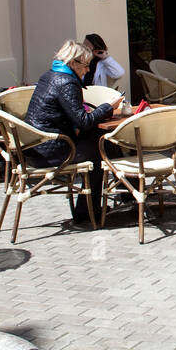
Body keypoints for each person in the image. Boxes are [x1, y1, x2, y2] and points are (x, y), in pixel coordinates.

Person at [24, 40, 123, 224]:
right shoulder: (66, 83)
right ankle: (90, 210)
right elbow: (83, 122)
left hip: (36, 147)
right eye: (85, 66)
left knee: (103, 141)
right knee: (103, 147)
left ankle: (122, 196)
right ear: (73, 63)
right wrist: (108, 107)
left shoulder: (50, 75)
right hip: (53, 150)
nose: (87, 70)